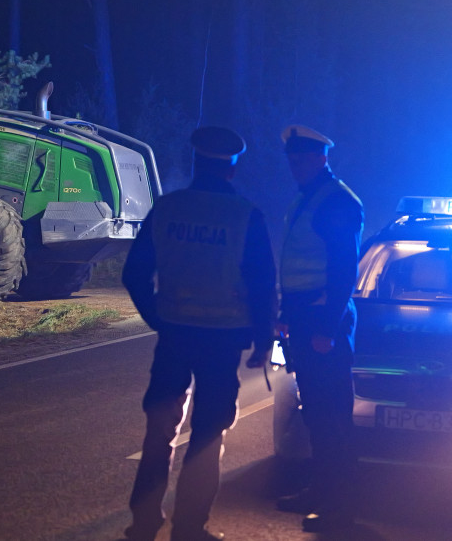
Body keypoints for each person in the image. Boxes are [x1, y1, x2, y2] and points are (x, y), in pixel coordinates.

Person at [122, 126, 277, 541]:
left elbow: (134, 272)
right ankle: (189, 528)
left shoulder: (169, 209)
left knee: (159, 430)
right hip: (222, 341)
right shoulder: (246, 215)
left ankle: (143, 523)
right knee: (208, 434)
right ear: (231, 168)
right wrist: (264, 339)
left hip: (174, 338)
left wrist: (159, 317)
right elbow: (262, 284)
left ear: (196, 161)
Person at [275, 124, 364, 533]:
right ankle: (321, 492)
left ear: (321, 159)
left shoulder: (337, 201)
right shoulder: (307, 197)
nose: (295, 165)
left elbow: (345, 270)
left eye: (302, 158)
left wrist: (326, 328)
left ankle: (339, 508)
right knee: (316, 414)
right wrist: (284, 312)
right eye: (291, 159)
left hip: (323, 320)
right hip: (304, 317)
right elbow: (297, 263)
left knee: (332, 418)